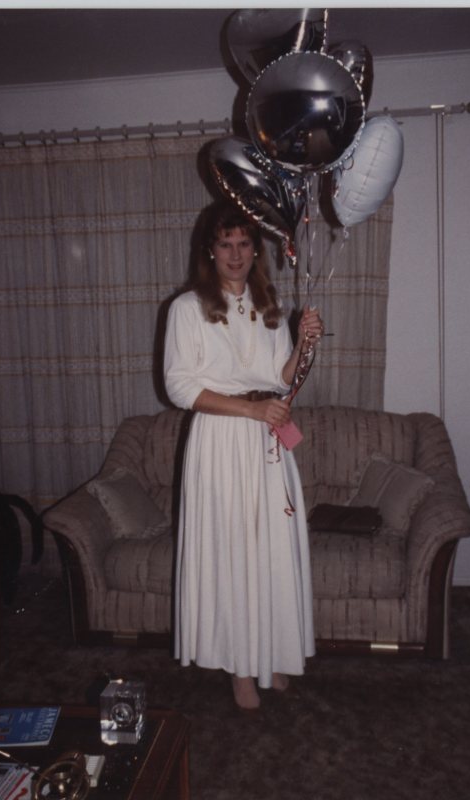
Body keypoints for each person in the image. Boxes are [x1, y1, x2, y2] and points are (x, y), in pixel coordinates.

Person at [164, 201, 323, 710]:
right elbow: (180, 387)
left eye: (244, 243)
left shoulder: (268, 305)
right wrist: (251, 410)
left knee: (271, 550)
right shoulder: (187, 308)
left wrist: (303, 344)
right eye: (225, 244)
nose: (235, 254)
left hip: (266, 439)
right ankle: (239, 667)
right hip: (220, 439)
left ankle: (270, 652)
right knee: (232, 552)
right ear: (209, 250)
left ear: (256, 250)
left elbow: (280, 377)